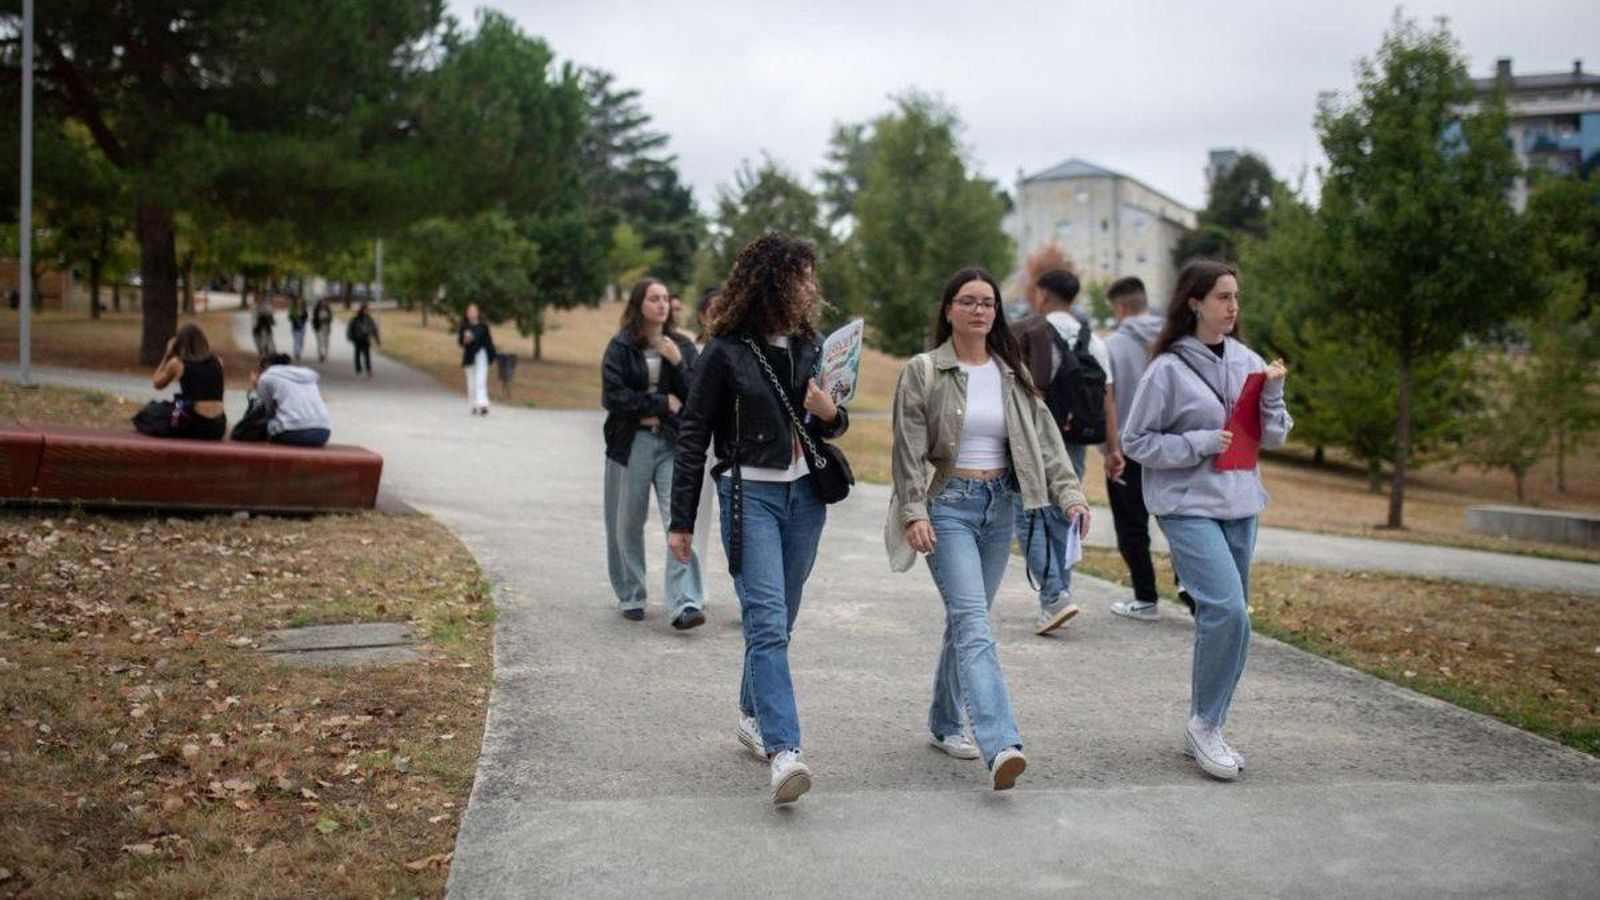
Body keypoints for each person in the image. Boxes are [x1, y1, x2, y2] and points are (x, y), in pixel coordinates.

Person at [886, 266, 1090, 791]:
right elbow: (907, 448)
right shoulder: (924, 370)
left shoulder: (1010, 371)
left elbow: (1045, 441)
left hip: (1000, 508)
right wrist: (914, 512)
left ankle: (943, 720)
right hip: (947, 506)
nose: (980, 310)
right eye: (968, 301)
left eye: (988, 303)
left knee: (965, 619)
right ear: (949, 310)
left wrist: (1070, 495)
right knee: (975, 622)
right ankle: (1001, 744)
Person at [667, 234, 849, 806]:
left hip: (805, 501)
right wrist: (682, 520)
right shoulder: (725, 350)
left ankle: (751, 711)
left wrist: (831, 413)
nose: (811, 289)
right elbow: (693, 435)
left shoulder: (810, 346)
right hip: (751, 497)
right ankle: (785, 751)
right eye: (802, 277)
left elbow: (827, 425)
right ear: (774, 281)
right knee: (767, 622)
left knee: (780, 621)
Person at [1121, 259, 1292, 781]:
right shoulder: (1167, 368)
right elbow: (1136, 441)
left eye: (1236, 296)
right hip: (1187, 505)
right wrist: (1197, 442)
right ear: (1195, 302)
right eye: (1222, 296)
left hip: (1242, 502)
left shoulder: (1250, 362)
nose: (1233, 306)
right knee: (1227, 611)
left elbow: (1276, 436)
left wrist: (1273, 393)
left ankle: (1209, 721)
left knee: (1232, 620)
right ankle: (1205, 725)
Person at [1009, 268, 1126, 634]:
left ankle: (1053, 597)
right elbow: (1108, 398)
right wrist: (1112, 448)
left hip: (1034, 435)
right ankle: (1061, 591)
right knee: (1065, 511)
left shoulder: (1032, 331)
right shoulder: (1094, 340)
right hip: (1076, 438)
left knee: (1028, 513)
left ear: (1043, 294)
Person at [602, 278, 705, 629]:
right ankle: (632, 594)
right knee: (627, 522)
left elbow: (696, 398)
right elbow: (613, 397)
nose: (662, 304)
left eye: (665, 298)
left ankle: (686, 602)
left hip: (670, 444)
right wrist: (661, 402)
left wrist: (678, 364)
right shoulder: (620, 346)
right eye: (654, 298)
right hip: (631, 443)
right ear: (639, 304)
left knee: (677, 520)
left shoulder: (680, 346)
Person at [1102, 277, 1167, 620]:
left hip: (1127, 448)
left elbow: (1105, 398)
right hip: (1171, 449)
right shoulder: (1173, 341)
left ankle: (1146, 597)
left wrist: (1107, 448)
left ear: (1120, 307)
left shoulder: (1110, 346)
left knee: (1132, 526)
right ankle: (1190, 588)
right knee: (1180, 521)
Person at [137, 323, 227, 440]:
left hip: (193, 423)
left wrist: (167, 355)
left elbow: (157, 383)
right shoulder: (218, 362)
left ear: (180, 344)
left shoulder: (178, 364)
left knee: (149, 413)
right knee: (177, 406)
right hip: (217, 426)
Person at [689, 285, 723, 570]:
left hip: (729, 441)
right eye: (714, 310)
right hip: (701, 441)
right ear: (702, 316)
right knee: (696, 513)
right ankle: (693, 586)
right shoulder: (692, 350)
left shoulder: (738, 349)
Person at [250, 353, 333, 446]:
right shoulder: (307, 376)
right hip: (323, 433)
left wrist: (256, 385)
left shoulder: (266, 377)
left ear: (265, 366)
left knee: (261, 430)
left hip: (292, 433)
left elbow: (266, 411)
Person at [458, 303, 497, 416]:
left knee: (480, 379)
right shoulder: (464, 327)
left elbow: (479, 336)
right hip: (469, 356)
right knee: (471, 382)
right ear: (466, 314)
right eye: (469, 312)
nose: (472, 314)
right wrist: (465, 340)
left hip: (481, 354)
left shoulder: (483, 326)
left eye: (474, 311)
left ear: (478, 313)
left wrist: (471, 338)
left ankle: (483, 404)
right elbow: (460, 342)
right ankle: (473, 405)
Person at [347, 302, 380, 377]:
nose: (366, 311)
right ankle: (358, 369)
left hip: (366, 338)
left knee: (367, 355)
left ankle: (369, 369)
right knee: (357, 354)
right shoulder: (356, 319)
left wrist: (377, 339)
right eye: (365, 309)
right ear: (361, 310)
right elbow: (351, 328)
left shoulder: (369, 319)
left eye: (367, 309)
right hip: (358, 338)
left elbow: (373, 329)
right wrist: (350, 337)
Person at [252, 291, 277, 356]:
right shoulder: (254, 305)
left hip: (265, 325)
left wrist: (265, 313)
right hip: (256, 326)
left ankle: (267, 351)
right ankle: (261, 350)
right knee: (257, 339)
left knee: (266, 339)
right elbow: (254, 317)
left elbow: (271, 312)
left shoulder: (266, 305)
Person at [312, 297, 334, 362]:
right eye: (322, 302)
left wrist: (327, 321)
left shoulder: (328, 310)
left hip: (326, 327)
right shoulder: (316, 310)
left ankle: (326, 355)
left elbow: (330, 319)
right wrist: (315, 326)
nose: (323, 303)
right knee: (319, 342)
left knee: (326, 342)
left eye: (324, 302)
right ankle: (320, 355)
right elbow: (314, 320)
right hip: (318, 328)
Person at [287, 296, 309, 362]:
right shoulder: (293, 309)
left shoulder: (304, 309)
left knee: (301, 342)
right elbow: (290, 317)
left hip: (302, 326)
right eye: (298, 301)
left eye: (301, 301)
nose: (299, 302)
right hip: (295, 326)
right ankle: (296, 353)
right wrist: (295, 319)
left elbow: (306, 317)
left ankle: (299, 352)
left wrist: (302, 320)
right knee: (296, 340)